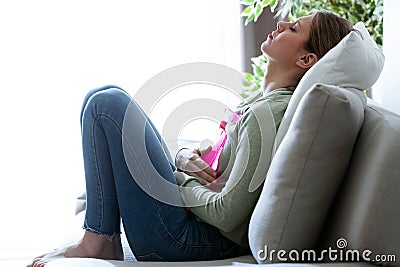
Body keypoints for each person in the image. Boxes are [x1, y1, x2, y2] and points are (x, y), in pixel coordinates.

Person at [28, 10, 356, 267]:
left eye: (294, 29)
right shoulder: (257, 103)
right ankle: (99, 237)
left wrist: (176, 182)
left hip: (186, 239)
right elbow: (211, 162)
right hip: (190, 223)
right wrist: (184, 158)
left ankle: (97, 242)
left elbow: (229, 214)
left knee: (107, 105)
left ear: (306, 60)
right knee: (100, 97)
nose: (282, 22)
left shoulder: (268, 115)